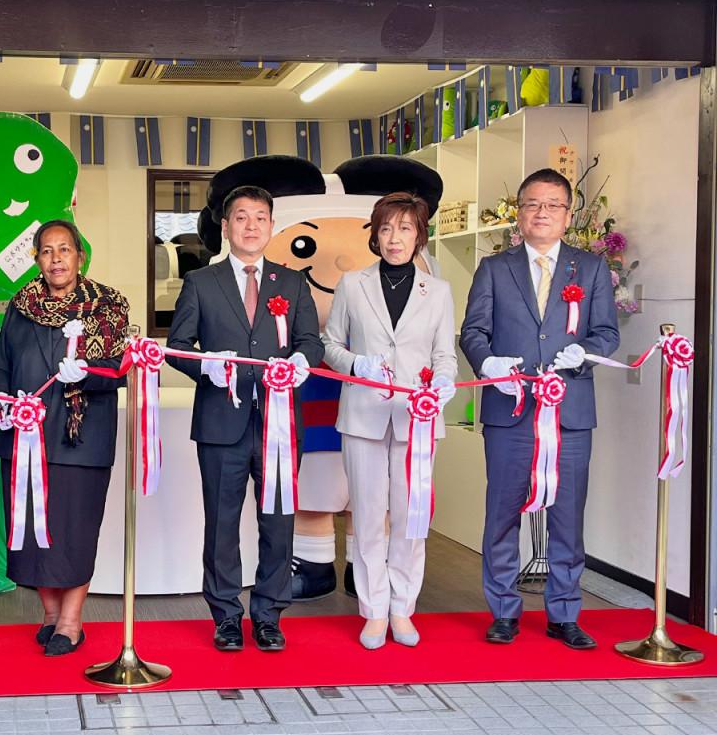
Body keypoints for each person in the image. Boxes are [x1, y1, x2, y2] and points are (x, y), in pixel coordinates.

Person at [461, 168, 619, 649]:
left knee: (568, 515)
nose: (542, 212)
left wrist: (583, 354)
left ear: (568, 215)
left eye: (553, 205)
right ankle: (504, 610)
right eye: (532, 204)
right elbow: (473, 331)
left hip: (570, 413)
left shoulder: (590, 269)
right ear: (520, 212)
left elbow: (607, 333)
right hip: (509, 412)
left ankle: (564, 612)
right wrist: (488, 363)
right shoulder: (494, 268)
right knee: (502, 513)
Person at [167, 185, 322, 652]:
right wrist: (207, 367)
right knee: (222, 524)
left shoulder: (291, 282)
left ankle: (269, 615)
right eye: (241, 217)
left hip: (279, 423)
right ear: (225, 226)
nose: (251, 226)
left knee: (278, 522)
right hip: (221, 422)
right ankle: (226, 617)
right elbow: (178, 347)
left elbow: (310, 341)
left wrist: (301, 361)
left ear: (271, 226)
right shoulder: (201, 282)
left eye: (259, 217)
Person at [321, 192, 456, 649]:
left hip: (417, 418)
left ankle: (403, 607)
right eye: (386, 228)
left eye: (405, 228)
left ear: (419, 235)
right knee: (366, 515)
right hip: (363, 415)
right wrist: (357, 364)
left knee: (410, 517)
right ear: (375, 236)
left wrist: (443, 382)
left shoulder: (438, 291)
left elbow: (444, 354)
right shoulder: (352, 284)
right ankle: (374, 609)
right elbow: (329, 344)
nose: (395, 238)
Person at [0, 220, 129, 656]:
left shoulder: (107, 304)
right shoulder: (21, 305)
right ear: (37, 259)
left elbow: (121, 369)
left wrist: (87, 374)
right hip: (24, 436)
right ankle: (50, 615)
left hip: (80, 439)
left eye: (64, 249)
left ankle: (71, 621)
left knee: (74, 531)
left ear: (79, 256)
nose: (56, 259)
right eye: (46, 251)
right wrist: (1, 401)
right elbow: (1, 364)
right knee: (34, 533)